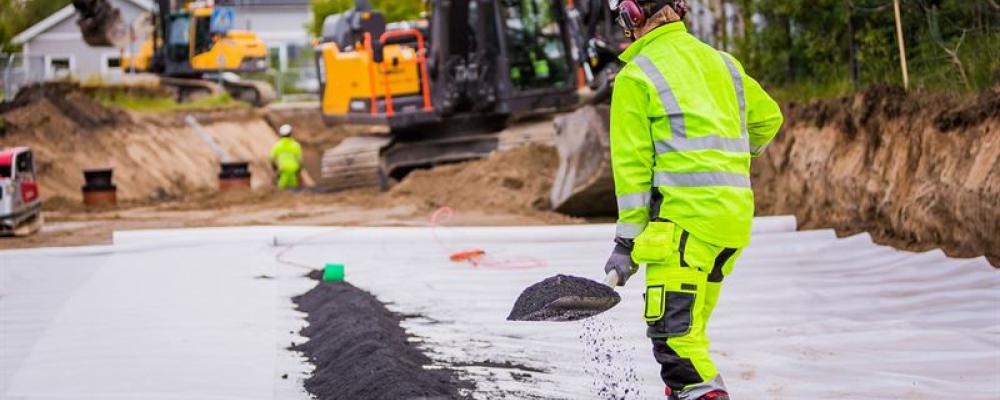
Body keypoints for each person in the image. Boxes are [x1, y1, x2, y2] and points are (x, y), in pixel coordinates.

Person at [601, 0, 784, 399]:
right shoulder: (724, 64)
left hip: (684, 229)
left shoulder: (636, 78)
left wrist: (626, 243)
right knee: (690, 333)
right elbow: (769, 119)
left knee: (675, 345)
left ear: (632, 15)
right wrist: (728, 159)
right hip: (730, 225)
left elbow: (632, 172)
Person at [270, 124, 303, 190]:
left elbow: (272, 159)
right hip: (293, 171)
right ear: (290, 133)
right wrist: (299, 170)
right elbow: (300, 160)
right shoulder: (296, 145)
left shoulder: (277, 145)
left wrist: (275, 168)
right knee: (294, 190)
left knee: (281, 190)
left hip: (283, 170)